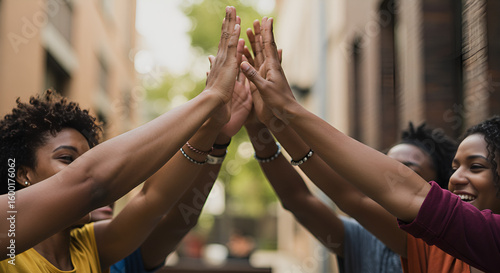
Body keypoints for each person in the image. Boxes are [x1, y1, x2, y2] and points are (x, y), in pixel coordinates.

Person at [241, 16, 500, 272]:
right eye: (455, 168)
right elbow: (352, 196)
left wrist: (289, 109)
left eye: (476, 166)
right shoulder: (432, 249)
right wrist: (274, 122)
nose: (457, 178)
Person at [0, 6, 242, 271]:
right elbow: (92, 181)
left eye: (87, 158)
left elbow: (153, 200)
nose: (81, 168)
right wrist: (209, 97)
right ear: (23, 174)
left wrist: (211, 125)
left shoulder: (90, 245)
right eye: (68, 159)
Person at [94, 63, 253, 273]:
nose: (100, 178)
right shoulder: (35, 248)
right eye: (68, 159)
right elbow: (152, 199)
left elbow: (178, 222)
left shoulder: (122, 253)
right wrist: (208, 115)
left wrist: (218, 138)